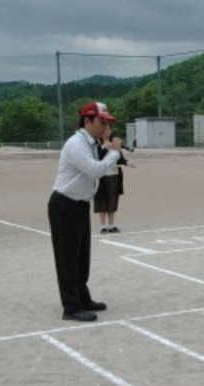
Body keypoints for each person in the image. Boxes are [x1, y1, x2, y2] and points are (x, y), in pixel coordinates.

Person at [48, 102, 122, 322]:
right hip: (65, 204)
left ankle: (82, 297)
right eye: (101, 122)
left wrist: (106, 145)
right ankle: (71, 307)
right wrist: (115, 152)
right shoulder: (76, 143)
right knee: (68, 259)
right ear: (87, 121)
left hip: (79, 205)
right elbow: (95, 169)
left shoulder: (90, 142)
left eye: (107, 123)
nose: (104, 126)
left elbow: (97, 160)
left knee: (81, 257)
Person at [94, 126, 135, 234]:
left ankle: (111, 225)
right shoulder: (96, 143)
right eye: (105, 129)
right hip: (101, 176)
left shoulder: (116, 144)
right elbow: (96, 158)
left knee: (112, 199)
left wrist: (127, 163)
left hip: (114, 175)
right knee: (101, 200)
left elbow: (120, 158)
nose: (106, 131)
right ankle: (103, 226)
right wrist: (105, 148)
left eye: (108, 129)